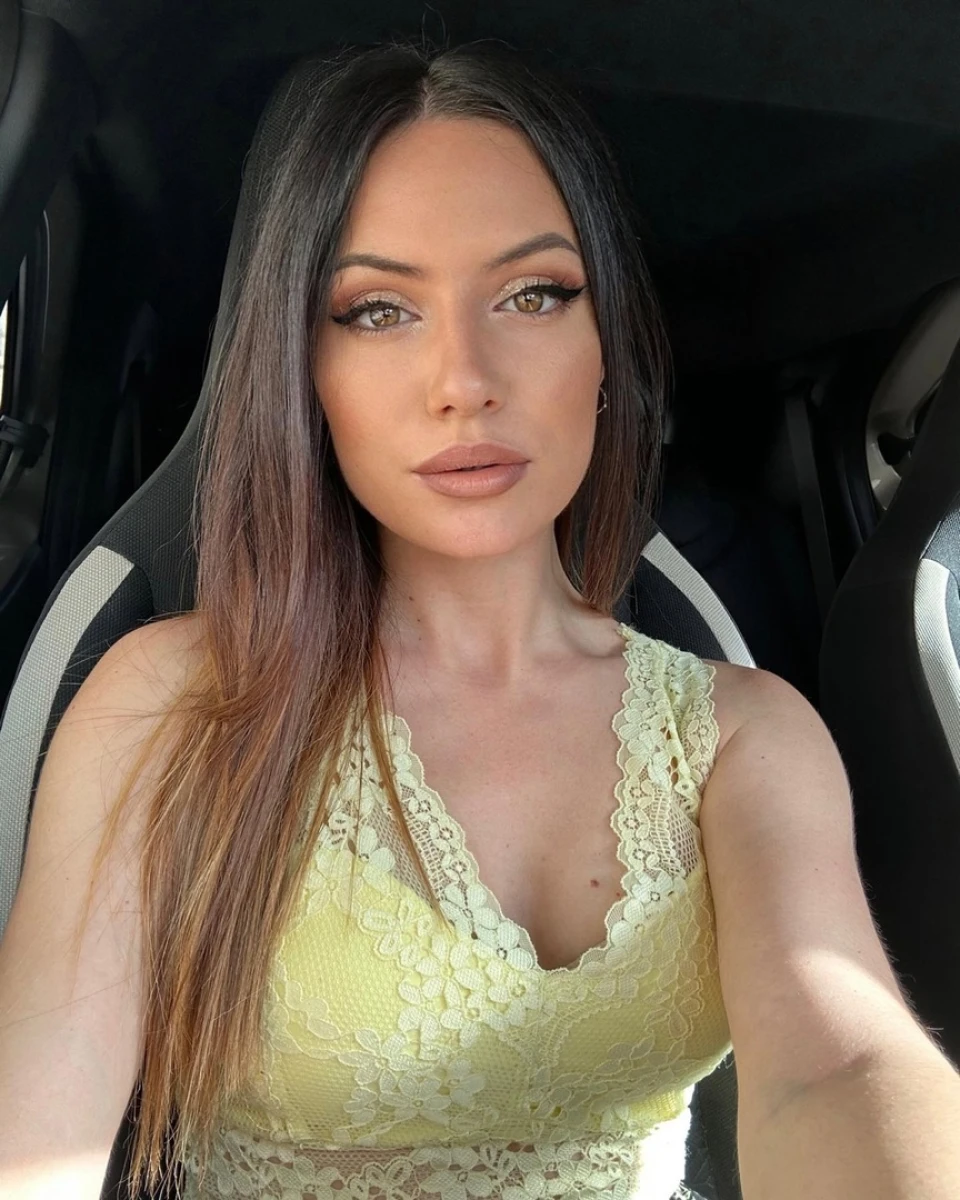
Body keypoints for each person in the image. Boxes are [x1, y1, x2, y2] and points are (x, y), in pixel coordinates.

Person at [2, 37, 960, 1200]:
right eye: (378, 310)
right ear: (302, 371)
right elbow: (38, 1113)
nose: (464, 378)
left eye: (533, 294)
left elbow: (838, 1062)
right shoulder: (173, 705)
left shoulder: (743, 736)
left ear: (604, 344)